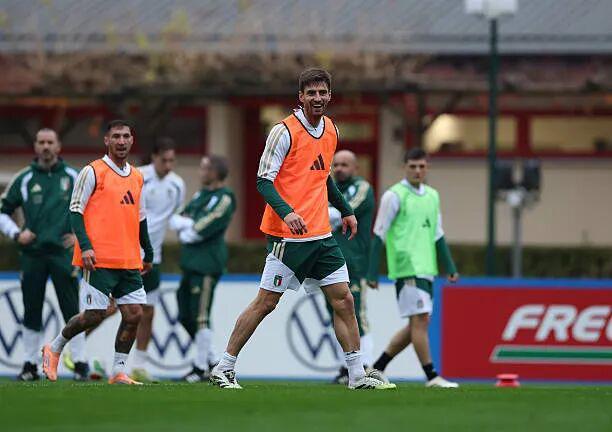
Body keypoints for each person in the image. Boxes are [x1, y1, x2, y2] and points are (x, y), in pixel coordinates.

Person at [210, 68, 393, 390]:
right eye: (311, 93)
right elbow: (263, 181)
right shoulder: (283, 131)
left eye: (322, 92)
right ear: (301, 97)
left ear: (330, 95)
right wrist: (288, 213)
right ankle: (224, 367)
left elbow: (324, 178)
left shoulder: (331, 129)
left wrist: (346, 211)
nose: (317, 98)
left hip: (322, 235)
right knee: (266, 303)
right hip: (288, 236)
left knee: (344, 300)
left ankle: (356, 375)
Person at [42, 119, 154, 385]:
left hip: (128, 258)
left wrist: (148, 252)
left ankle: (118, 371)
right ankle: (54, 348)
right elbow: (75, 210)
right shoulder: (92, 171)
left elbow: (140, 217)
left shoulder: (137, 176)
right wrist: (86, 247)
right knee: (95, 315)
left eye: (126, 136)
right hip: (99, 258)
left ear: (132, 140)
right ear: (106, 140)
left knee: (134, 314)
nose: (121, 141)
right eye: (116, 136)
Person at [367, 147, 459, 388]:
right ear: (404, 167)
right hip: (406, 267)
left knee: (416, 325)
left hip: (427, 268)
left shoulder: (432, 196)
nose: (417, 170)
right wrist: (372, 272)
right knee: (420, 321)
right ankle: (432, 376)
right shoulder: (394, 195)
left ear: (427, 168)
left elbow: (437, 233)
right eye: (412, 166)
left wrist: (449, 266)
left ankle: (376, 368)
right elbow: (379, 233)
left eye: (421, 166)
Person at [0, 128, 88, 381]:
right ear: (36, 147)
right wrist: (16, 234)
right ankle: (30, 364)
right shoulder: (24, 178)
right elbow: (3, 211)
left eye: (50, 142)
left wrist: (80, 237)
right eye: (41, 142)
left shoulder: (74, 176)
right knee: (32, 308)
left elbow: (94, 209)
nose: (46, 146)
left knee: (72, 308)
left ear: (58, 146)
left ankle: (80, 363)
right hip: (33, 253)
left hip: (64, 253)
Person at [169, 155, 236, 383]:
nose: (201, 172)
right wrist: (189, 226)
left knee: (200, 315)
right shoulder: (200, 195)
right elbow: (179, 219)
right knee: (184, 314)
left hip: (207, 264)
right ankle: (211, 360)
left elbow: (208, 223)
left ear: (216, 172)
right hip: (190, 262)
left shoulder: (225, 197)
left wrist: (191, 228)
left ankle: (199, 368)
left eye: (205, 168)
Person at [130, 138, 185, 383]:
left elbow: (173, 217)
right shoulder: (137, 177)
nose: (169, 165)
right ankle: (76, 348)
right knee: (109, 309)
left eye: (172, 160)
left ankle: (139, 365)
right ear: (154, 157)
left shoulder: (177, 184)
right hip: (129, 254)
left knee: (148, 312)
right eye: (164, 160)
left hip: (154, 257)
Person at [327, 150, 376, 384]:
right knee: (335, 314)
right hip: (328, 261)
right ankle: (345, 367)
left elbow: (343, 213)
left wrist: (323, 214)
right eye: (335, 164)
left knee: (356, 314)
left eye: (344, 164)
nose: (339, 168)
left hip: (354, 262)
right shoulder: (328, 187)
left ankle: (365, 365)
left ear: (355, 168)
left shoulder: (362, 188)